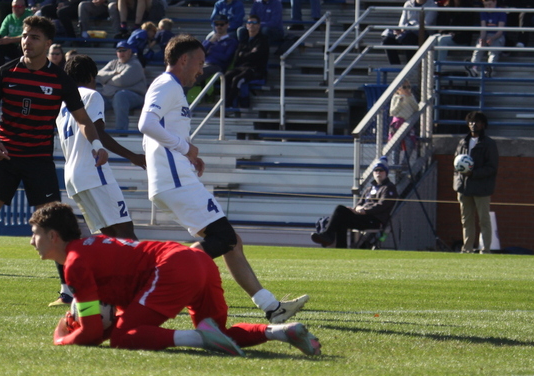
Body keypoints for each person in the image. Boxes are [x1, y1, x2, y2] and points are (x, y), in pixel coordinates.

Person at [138, 35, 309, 323]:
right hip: (174, 180)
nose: (201, 70)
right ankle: (159, 277)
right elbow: (146, 123)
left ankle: (272, 307)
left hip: (176, 177)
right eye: (199, 63)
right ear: (183, 60)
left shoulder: (170, 88)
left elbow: (162, 131)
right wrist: (185, 148)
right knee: (224, 238)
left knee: (232, 241)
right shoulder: (167, 84)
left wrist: (188, 155)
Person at [0, 16, 109, 303]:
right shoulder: (6, 72)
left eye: (34, 37)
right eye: (25, 35)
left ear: (48, 43)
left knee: (54, 224)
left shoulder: (59, 79)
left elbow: (83, 118)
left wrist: (96, 144)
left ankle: (67, 292)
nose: (26, 41)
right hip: (5, 157)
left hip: (39, 161)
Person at [30, 202, 322, 356]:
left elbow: (93, 333)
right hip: (196, 261)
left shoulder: (75, 264)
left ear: (53, 236)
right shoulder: (90, 248)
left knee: (122, 339)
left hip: (172, 266)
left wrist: (61, 339)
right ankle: (281, 331)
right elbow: (111, 309)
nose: (32, 242)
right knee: (218, 333)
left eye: (36, 234)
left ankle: (197, 338)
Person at [57, 54, 146, 238]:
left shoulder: (62, 104)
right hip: (93, 171)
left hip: (73, 177)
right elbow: (98, 132)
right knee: (125, 230)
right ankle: (144, 268)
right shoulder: (91, 95)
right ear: (91, 76)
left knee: (109, 234)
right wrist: (132, 156)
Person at [310, 157, 398, 248]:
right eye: (376, 170)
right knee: (341, 218)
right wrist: (355, 209)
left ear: (386, 173)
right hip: (363, 217)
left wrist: (365, 210)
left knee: (340, 209)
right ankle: (341, 248)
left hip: (374, 220)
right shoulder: (369, 189)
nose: (378, 172)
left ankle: (328, 235)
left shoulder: (389, 188)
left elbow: (383, 205)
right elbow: (359, 203)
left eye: (381, 170)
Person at [454, 111, 499, 253]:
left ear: (483, 125)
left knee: (484, 220)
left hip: (481, 188)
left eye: (477, 122)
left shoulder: (489, 144)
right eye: (471, 122)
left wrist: (473, 173)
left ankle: (485, 249)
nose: (473, 125)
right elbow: (456, 163)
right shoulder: (462, 142)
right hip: (464, 188)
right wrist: (459, 180)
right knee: (466, 220)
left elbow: (492, 167)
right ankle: (467, 248)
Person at [96, 40, 147, 131]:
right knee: (95, 98)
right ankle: (93, 132)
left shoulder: (135, 64)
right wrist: (114, 73)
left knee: (120, 96)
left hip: (134, 96)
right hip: (110, 96)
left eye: (124, 50)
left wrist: (107, 81)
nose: (121, 53)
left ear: (130, 51)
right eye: (119, 51)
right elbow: (99, 75)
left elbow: (121, 81)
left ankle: (121, 132)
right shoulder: (113, 63)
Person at [224, 15, 268, 108]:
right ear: (246, 25)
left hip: (255, 70)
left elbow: (256, 56)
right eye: (249, 23)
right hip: (241, 67)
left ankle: (228, 105)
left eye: (254, 23)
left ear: (259, 25)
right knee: (226, 76)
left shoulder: (262, 40)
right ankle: (223, 103)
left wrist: (243, 54)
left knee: (237, 79)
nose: (251, 25)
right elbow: (237, 57)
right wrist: (247, 54)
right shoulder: (244, 40)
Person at [381, 0, 438, 65]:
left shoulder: (432, 5)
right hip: (406, 31)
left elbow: (426, 24)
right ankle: (395, 65)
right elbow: (402, 22)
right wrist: (402, 30)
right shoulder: (408, 4)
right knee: (387, 40)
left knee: (408, 38)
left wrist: (409, 28)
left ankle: (411, 66)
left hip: (422, 33)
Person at [195, 15, 237, 86]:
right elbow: (198, 53)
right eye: (217, 24)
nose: (219, 26)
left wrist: (210, 52)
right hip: (203, 64)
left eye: (222, 24)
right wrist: (210, 42)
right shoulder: (209, 40)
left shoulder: (231, 41)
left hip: (216, 66)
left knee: (197, 73)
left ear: (227, 25)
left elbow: (226, 57)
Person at [467, 0, 507, 76]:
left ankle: (489, 69)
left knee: (493, 51)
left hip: (497, 35)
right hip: (486, 34)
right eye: (486, 5)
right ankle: (474, 68)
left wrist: (492, 38)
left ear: (495, 2)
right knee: (478, 49)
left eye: (490, 4)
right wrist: (482, 38)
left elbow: (500, 30)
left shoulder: (501, 12)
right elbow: (483, 27)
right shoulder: (483, 12)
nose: (488, 7)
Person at [0, 0, 30, 70]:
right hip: (12, 46)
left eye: (19, 6)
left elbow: (29, 36)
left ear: (24, 7)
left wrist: (11, 40)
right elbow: (1, 33)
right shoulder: (9, 17)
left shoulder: (30, 17)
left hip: (25, 46)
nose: (16, 8)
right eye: (14, 6)